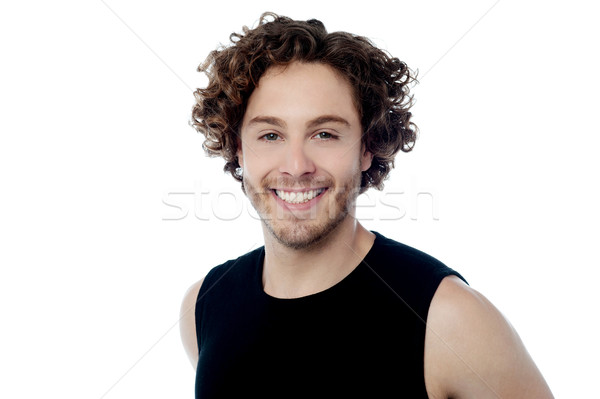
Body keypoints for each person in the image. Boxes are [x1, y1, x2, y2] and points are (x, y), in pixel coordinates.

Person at [180, 12, 553, 398]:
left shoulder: (449, 320)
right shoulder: (203, 307)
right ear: (239, 149)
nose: (296, 167)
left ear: (366, 147)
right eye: (270, 134)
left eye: (324, 134)